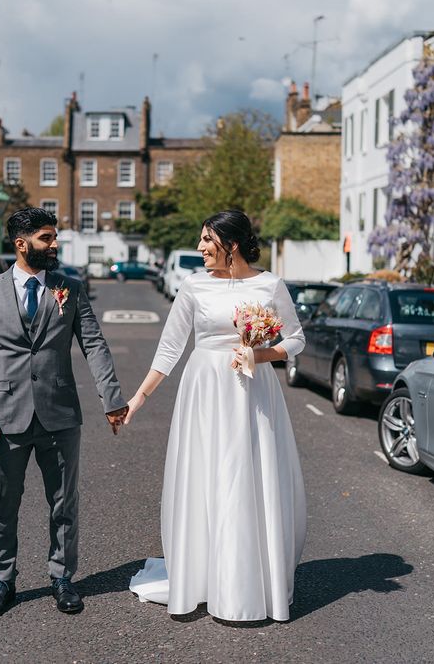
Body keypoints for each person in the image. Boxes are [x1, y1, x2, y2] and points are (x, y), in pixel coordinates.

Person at [125, 210, 306, 622]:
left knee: (246, 478)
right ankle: (204, 577)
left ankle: (244, 584)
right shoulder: (193, 286)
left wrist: (260, 354)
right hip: (205, 390)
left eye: (207, 239)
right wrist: (138, 399)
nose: (200, 247)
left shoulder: (269, 284)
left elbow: (296, 339)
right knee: (209, 479)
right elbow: (170, 349)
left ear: (232, 244)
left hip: (252, 391)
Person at [0, 207, 128, 617]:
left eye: (54, 238)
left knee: (63, 503)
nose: (54, 245)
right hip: (4, 419)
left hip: (60, 415)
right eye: (46, 238)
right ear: (21, 244)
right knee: (2, 505)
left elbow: (94, 344)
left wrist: (112, 399)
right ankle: (3, 580)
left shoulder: (69, 288)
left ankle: (62, 577)